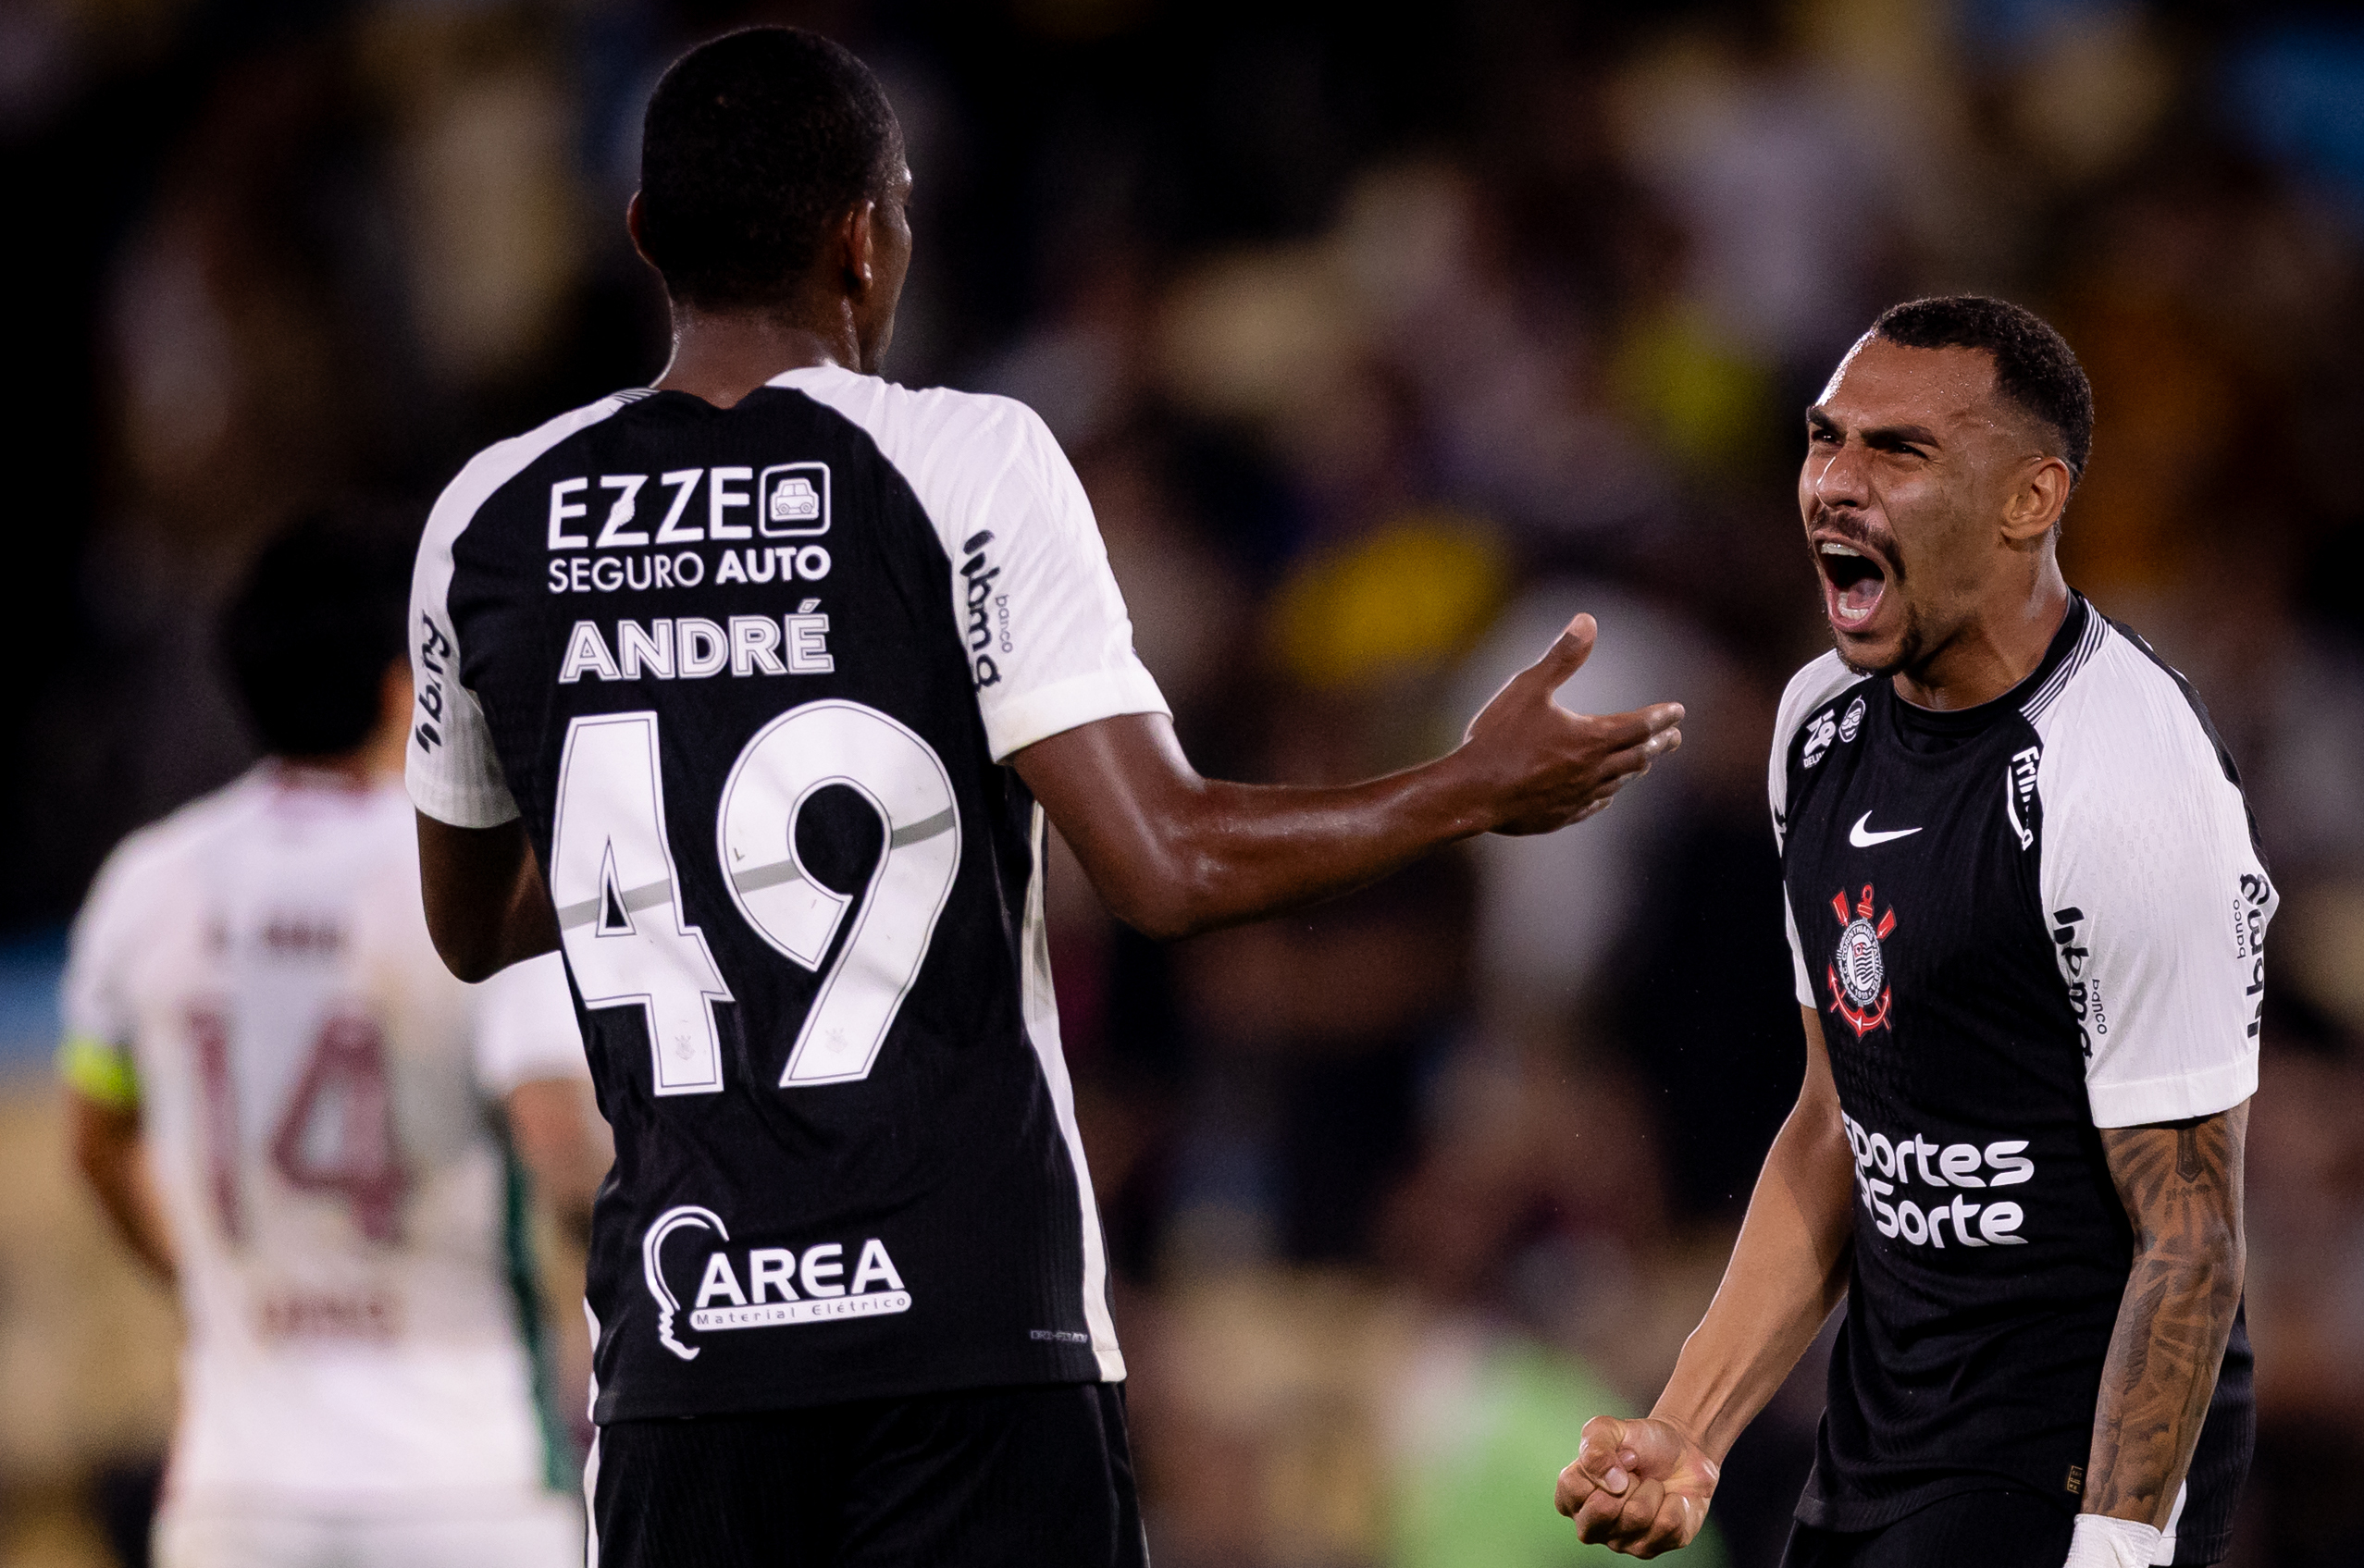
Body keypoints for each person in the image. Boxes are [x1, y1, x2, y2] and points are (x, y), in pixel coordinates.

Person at [402, 26, 1683, 1568]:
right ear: (861, 241)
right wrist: (1463, 791)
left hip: (687, 1357)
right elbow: (1162, 862)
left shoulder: (489, 515)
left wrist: (671, 841)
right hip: (968, 1335)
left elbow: (472, 922)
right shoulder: (965, 463)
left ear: (640, 239)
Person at [1555, 297, 2266, 1568]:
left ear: (2028, 499)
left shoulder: (2125, 782)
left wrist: (2114, 1547)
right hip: (1879, 1436)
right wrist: (1691, 1424)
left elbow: (2190, 1230)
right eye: (1824, 439)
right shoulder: (1818, 725)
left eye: (1897, 449)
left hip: (2073, 1452)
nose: (1834, 481)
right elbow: (1841, 1119)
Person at [62, 519, 607, 1568]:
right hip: (461, 1480)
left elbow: (96, 1138)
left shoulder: (148, 884)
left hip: (236, 1490)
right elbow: (559, 1143)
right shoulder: (470, 887)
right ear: (411, 684)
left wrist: (219, 1283)